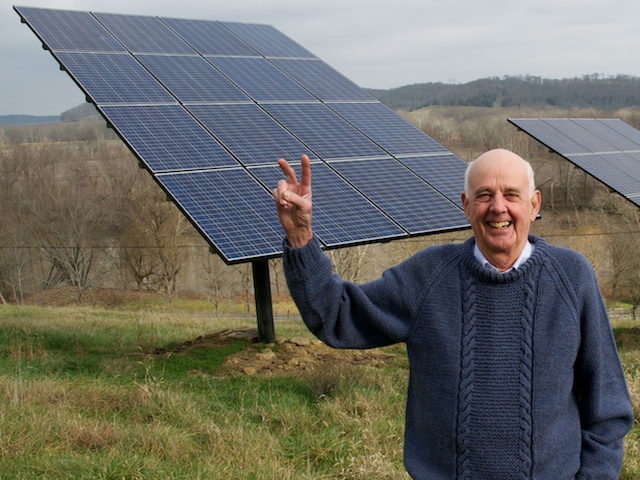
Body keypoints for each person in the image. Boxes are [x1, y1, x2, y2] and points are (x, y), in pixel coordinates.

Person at [272, 149, 633, 479]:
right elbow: (337, 315)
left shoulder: (572, 277)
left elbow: (608, 408)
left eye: (511, 194)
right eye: (484, 196)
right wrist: (301, 237)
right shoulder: (428, 276)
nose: (498, 208)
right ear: (465, 205)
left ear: (534, 204)